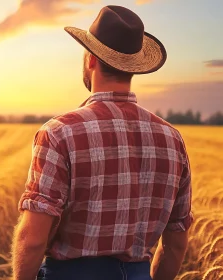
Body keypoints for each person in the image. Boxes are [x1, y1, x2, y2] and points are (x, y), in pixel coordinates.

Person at [11, 5, 193, 280]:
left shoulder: (59, 133)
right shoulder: (172, 140)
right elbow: (176, 245)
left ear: (91, 60)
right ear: (133, 67)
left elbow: (33, 239)